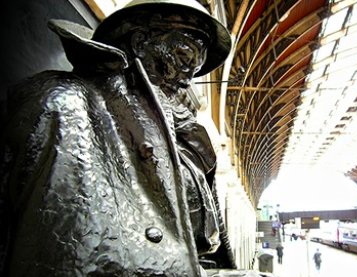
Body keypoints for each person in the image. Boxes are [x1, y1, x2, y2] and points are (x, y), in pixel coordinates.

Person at [0, 0, 234, 276]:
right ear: (139, 42)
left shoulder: (186, 136)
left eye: (196, 67)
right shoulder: (66, 102)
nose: (187, 80)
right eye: (184, 58)